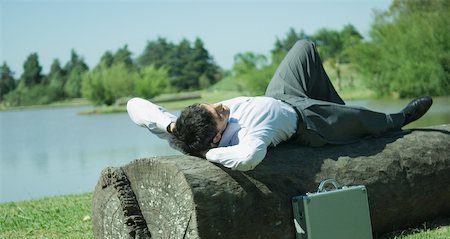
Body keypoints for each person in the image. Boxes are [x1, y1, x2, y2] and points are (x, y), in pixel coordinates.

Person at [127, 40, 432, 171]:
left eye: (211, 105)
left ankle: (341, 114)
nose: (220, 106)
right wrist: (209, 154)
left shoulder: (182, 130)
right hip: (306, 120)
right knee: (364, 121)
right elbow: (248, 158)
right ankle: (398, 119)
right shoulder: (247, 139)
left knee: (304, 49)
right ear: (218, 136)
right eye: (219, 114)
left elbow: (135, 105)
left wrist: (170, 124)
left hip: (281, 94)